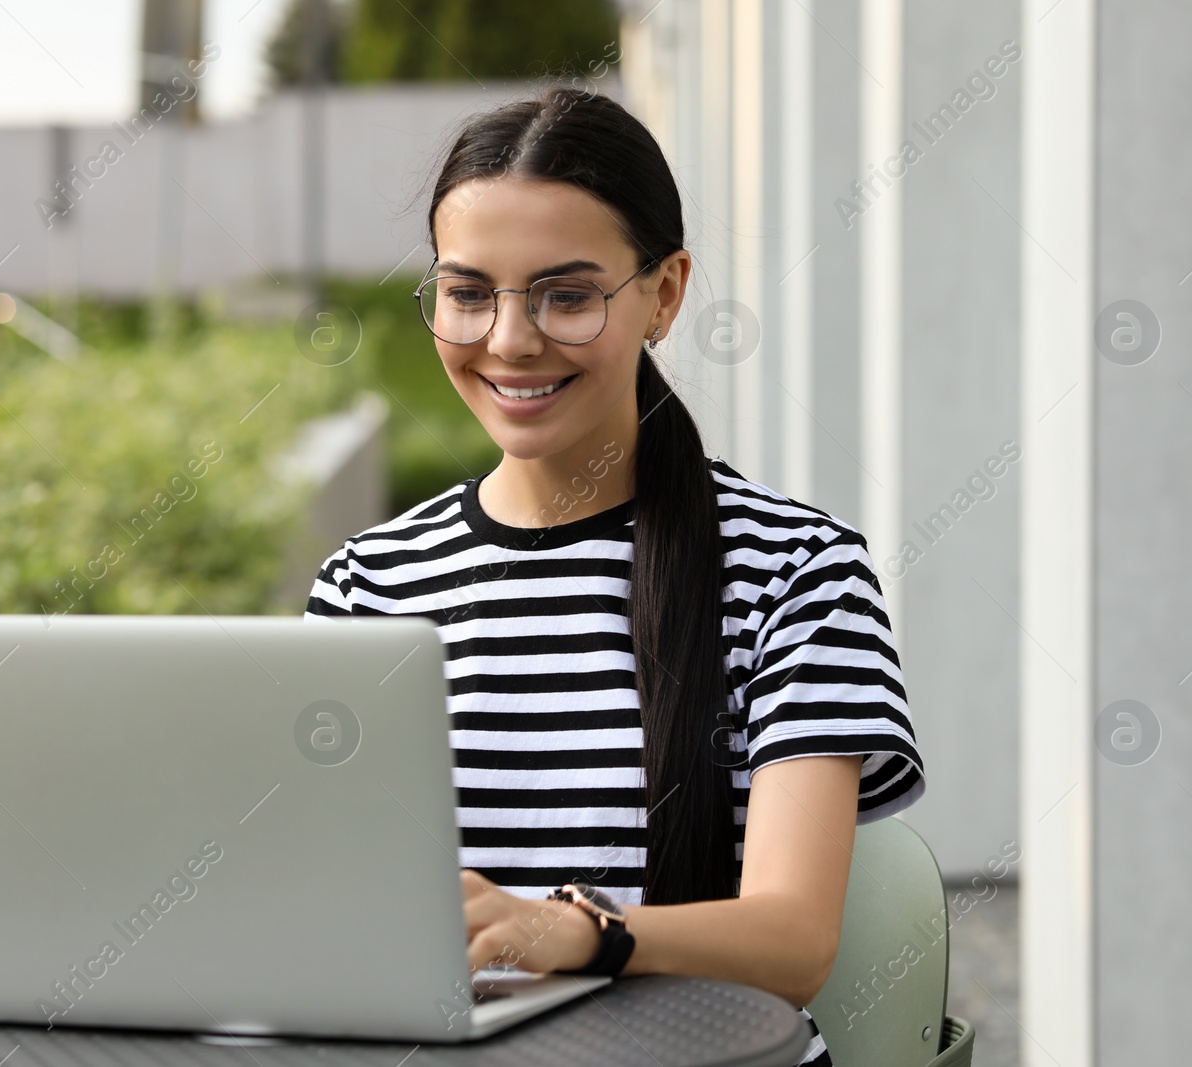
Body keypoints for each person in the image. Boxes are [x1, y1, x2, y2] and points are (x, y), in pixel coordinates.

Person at [304, 85, 925, 1064]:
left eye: (566, 293)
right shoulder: (366, 585)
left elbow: (793, 942)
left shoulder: (798, 573)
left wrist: (588, 933)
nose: (508, 339)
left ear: (665, 293)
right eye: (468, 292)